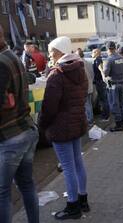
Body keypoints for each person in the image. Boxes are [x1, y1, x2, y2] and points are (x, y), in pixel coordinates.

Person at [38, 36, 89, 220]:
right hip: (76, 124)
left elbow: (49, 107)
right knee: (77, 163)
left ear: (60, 52)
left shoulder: (57, 74)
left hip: (60, 127)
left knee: (68, 168)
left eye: (51, 51)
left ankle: (73, 206)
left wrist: (42, 125)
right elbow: (83, 93)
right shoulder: (79, 68)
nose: (49, 55)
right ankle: (83, 200)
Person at [0, 25, 39, 223]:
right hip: (26, 129)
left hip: (11, 135)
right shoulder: (12, 56)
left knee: (3, 192)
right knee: (26, 185)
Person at [103, 41, 123, 132]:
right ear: (114, 48)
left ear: (108, 49)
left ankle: (119, 125)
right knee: (121, 104)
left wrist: (101, 69)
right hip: (122, 84)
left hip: (113, 85)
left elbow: (106, 73)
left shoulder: (109, 60)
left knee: (114, 105)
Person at [76, 48, 95, 126]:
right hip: (90, 86)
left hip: (84, 87)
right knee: (89, 104)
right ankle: (90, 120)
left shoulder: (79, 63)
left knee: (87, 105)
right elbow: (92, 74)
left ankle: (90, 121)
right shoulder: (88, 62)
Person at [92, 48, 110, 121]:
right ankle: (105, 115)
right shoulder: (97, 60)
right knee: (103, 99)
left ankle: (106, 116)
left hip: (100, 82)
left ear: (97, 52)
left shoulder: (98, 60)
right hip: (99, 82)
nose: (91, 53)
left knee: (103, 100)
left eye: (93, 52)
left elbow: (101, 70)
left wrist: (103, 79)